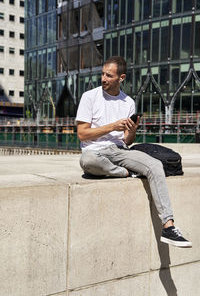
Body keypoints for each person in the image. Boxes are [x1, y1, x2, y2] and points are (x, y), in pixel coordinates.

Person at [76, 56, 192, 248]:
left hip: (120, 150)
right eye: (103, 74)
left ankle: (169, 226)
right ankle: (126, 173)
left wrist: (132, 131)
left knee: (155, 165)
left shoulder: (128, 102)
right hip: (95, 151)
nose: (103, 78)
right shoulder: (90, 96)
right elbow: (82, 134)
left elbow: (128, 141)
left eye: (109, 75)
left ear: (121, 78)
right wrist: (112, 126)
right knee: (87, 160)